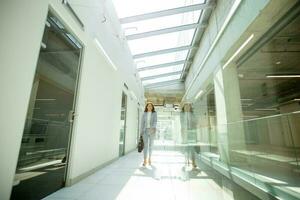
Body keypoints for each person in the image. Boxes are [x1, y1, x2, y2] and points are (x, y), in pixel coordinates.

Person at [180, 103, 197, 169]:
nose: (187, 108)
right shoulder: (181, 114)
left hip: (192, 131)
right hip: (185, 132)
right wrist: (182, 132)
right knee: (186, 148)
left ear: (190, 108)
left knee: (192, 148)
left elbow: (195, 122)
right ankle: (186, 161)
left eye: (188, 107)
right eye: (185, 107)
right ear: (183, 108)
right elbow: (181, 123)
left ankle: (193, 162)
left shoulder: (192, 114)